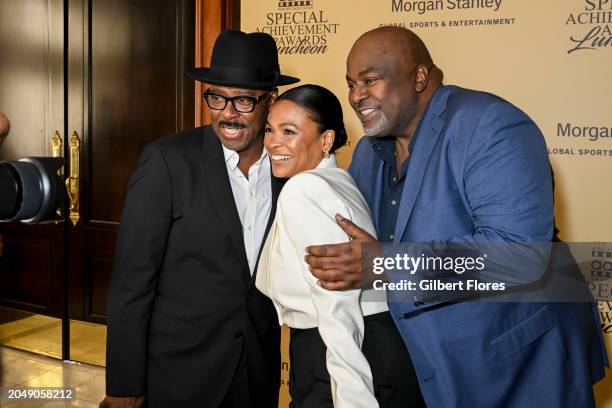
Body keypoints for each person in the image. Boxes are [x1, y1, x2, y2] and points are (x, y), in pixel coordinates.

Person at [305, 26, 608, 407]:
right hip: (428, 368)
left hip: (519, 365)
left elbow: (520, 258)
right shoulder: (368, 152)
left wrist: (386, 265)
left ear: (419, 77)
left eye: (370, 80)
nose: (355, 96)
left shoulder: (491, 126)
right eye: (350, 83)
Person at [101, 30, 299, 408]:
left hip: (257, 375)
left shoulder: (289, 171)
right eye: (216, 98)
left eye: (242, 100)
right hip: (178, 377)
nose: (227, 113)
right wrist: (125, 385)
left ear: (271, 101)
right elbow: (132, 281)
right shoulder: (167, 162)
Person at [256, 84, 423, 408]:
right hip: (371, 346)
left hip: (337, 353)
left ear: (326, 140)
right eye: (269, 129)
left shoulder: (303, 189)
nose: (273, 142)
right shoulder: (339, 180)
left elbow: (336, 302)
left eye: (289, 131)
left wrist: (352, 398)